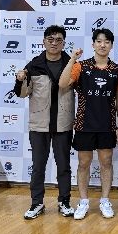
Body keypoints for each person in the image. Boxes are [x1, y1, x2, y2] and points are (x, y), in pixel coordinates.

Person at [59, 28, 118, 220]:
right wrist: (72, 59)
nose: (102, 45)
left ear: (111, 45)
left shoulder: (116, 69)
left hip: (106, 125)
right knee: (83, 163)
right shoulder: (81, 66)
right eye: (99, 41)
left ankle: (105, 200)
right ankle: (84, 201)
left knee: (106, 162)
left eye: (106, 42)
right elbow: (62, 84)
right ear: (93, 44)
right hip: (84, 124)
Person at [14, 25, 75, 220]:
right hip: (39, 125)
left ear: (64, 43)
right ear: (44, 42)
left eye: (58, 40)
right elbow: (23, 94)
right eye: (50, 39)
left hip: (63, 124)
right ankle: (37, 203)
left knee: (63, 166)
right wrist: (20, 80)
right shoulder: (34, 65)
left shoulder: (71, 64)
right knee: (38, 166)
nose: (54, 43)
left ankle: (64, 202)